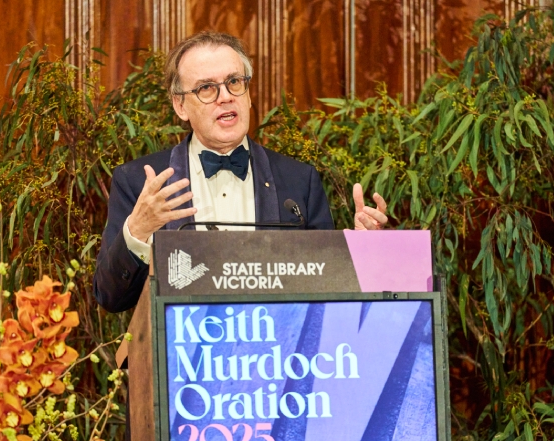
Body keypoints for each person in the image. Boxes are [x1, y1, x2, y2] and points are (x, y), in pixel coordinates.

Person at [94, 31, 387, 312]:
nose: (225, 97)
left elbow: (325, 292)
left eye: (234, 82)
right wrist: (139, 230)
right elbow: (111, 297)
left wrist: (357, 252)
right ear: (180, 105)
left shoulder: (299, 181)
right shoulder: (140, 182)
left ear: (247, 94)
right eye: (206, 88)